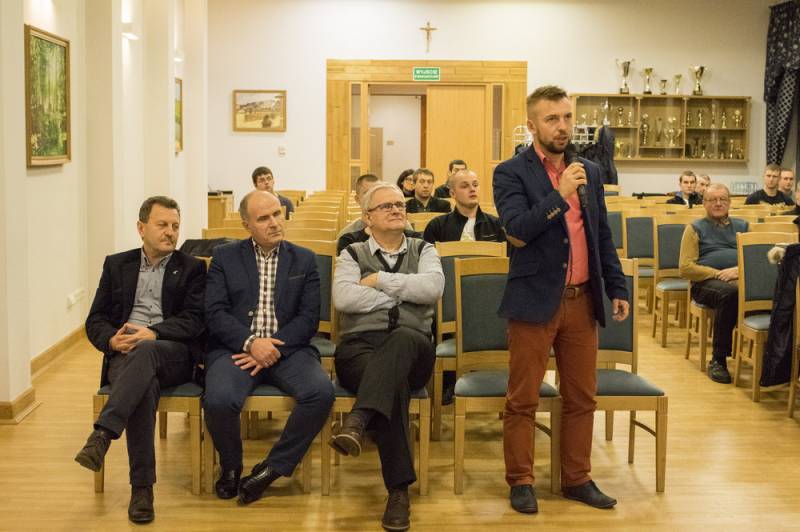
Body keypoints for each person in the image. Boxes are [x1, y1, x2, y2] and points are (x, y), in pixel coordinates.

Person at [493, 85, 629, 514]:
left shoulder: (589, 169)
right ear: (532, 125)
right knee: (523, 398)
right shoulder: (510, 172)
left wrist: (617, 286)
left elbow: (601, 233)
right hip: (534, 299)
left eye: (567, 117)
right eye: (552, 119)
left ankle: (576, 478)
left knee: (582, 397)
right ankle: (521, 480)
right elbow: (518, 228)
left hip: (582, 300)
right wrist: (561, 194)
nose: (563, 126)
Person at [76, 196, 206, 524]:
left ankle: (103, 434)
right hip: (125, 352)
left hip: (171, 352)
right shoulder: (116, 265)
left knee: (146, 352)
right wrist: (111, 339)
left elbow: (195, 321)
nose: (170, 232)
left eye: (175, 226)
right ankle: (142, 490)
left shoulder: (192, 268)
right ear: (141, 227)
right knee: (143, 388)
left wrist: (154, 332)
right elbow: (95, 319)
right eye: (162, 225)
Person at [203, 190, 334, 504]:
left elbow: (308, 319)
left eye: (277, 213)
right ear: (246, 225)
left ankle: (273, 468)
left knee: (321, 393)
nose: (274, 222)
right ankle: (231, 467)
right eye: (263, 218)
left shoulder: (304, 259)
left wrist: (272, 349)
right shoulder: (224, 257)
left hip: (289, 349)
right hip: (236, 349)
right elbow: (215, 312)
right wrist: (251, 343)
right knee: (219, 399)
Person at [330, 182, 444, 531]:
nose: (396, 209)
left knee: (403, 339)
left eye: (399, 204)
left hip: (414, 348)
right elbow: (344, 298)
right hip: (359, 348)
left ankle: (359, 419)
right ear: (367, 218)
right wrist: (403, 296)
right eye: (386, 206)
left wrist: (378, 279)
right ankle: (398, 493)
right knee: (391, 385)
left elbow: (433, 288)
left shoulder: (424, 248)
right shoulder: (352, 253)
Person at [679, 183, 749, 384]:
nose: (718, 203)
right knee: (730, 295)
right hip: (705, 283)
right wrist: (718, 274)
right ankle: (718, 360)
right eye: (712, 200)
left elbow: (754, 259)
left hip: (740, 279)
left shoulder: (743, 227)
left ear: (730, 202)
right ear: (704, 203)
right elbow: (685, 268)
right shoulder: (695, 228)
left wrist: (738, 271)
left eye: (723, 199)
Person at [338, 173, 416, 253]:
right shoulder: (347, 236)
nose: (374, 198)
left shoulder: (402, 225)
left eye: (378, 193)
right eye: (367, 193)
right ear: (357, 199)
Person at [423, 169, 506, 243]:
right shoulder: (437, 226)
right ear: (453, 193)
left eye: (475, 185)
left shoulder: (497, 225)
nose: (472, 189)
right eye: (465, 186)